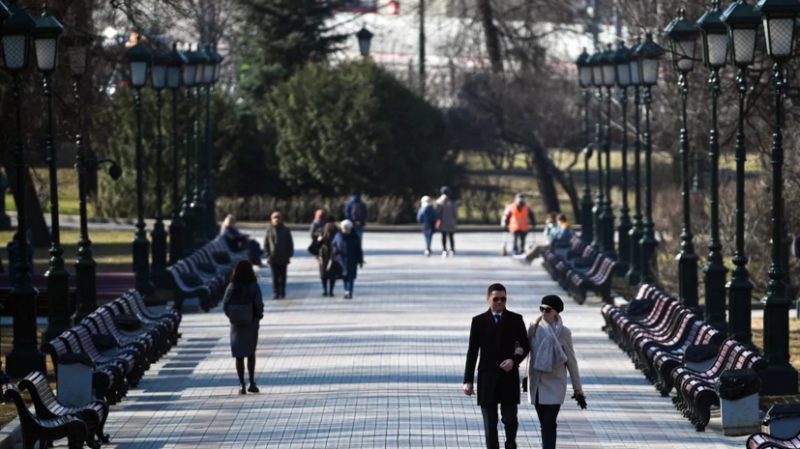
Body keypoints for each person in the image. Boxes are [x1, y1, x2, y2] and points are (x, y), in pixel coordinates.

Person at [463, 283, 530, 449]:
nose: (500, 302)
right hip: (487, 378)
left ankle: (510, 443)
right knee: (490, 424)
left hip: (509, 378)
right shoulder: (478, 321)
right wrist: (468, 381)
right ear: (488, 299)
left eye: (503, 299)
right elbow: (472, 352)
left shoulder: (516, 319)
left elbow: (526, 346)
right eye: (496, 299)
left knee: (510, 419)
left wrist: (514, 360)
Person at [525, 295, 583, 449]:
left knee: (549, 423)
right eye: (542, 309)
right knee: (545, 423)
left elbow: (571, 361)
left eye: (548, 309)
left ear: (556, 312)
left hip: (556, 383)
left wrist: (578, 388)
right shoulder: (534, 326)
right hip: (537, 382)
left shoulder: (564, 333)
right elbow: (524, 349)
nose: (544, 312)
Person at [222, 259, 264, 395]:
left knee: (239, 355)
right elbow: (259, 303)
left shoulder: (232, 286)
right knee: (251, 352)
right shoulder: (254, 286)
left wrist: (232, 316)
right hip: (251, 322)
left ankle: (242, 384)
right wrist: (258, 315)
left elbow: (225, 304)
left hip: (236, 324)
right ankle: (252, 382)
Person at [262, 212, 294, 299]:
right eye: (274, 218)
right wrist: (267, 254)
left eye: (278, 218)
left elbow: (290, 243)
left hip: (283, 257)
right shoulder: (269, 230)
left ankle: (282, 291)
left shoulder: (286, 230)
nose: (276, 220)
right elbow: (266, 243)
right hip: (273, 257)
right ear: (271, 219)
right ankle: (276, 292)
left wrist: (289, 254)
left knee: (283, 276)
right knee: (275, 276)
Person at [331, 220, 363, 299]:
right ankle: (346, 291)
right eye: (344, 228)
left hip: (352, 259)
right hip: (341, 259)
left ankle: (349, 292)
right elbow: (333, 245)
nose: (346, 230)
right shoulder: (338, 236)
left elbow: (358, 249)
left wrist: (360, 259)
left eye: (347, 228)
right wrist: (334, 252)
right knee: (344, 276)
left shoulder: (354, 237)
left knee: (350, 277)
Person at [316, 216, 340, 297]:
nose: (330, 224)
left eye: (331, 222)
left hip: (333, 254)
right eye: (328, 223)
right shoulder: (321, 230)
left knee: (332, 275)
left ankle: (331, 291)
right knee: (323, 274)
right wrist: (319, 239)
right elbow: (316, 243)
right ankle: (325, 290)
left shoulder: (338, 231)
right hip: (323, 254)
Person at [437, 186, 458, 258]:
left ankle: (444, 250)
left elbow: (438, 213)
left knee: (444, 237)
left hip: (443, 222)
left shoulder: (439, 202)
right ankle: (452, 250)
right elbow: (455, 213)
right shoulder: (452, 202)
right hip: (451, 222)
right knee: (451, 236)